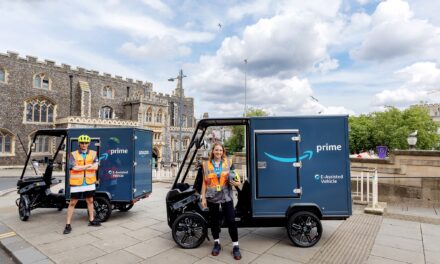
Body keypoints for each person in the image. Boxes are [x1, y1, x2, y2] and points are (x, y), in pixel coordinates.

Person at [201, 142, 242, 260]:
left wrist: (238, 183)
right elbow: (204, 182)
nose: (218, 152)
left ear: (223, 152)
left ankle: (236, 246)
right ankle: (217, 243)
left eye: (220, 150)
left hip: (226, 195)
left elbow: (236, 176)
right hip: (212, 196)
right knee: (214, 221)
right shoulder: (205, 165)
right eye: (216, 150)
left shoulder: (228, 162)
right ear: (212, 151)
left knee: (231, 221)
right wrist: (203, 197)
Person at [64, 134, 101, 234]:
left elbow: (96, 167)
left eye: (85, 143)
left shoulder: (93, 153)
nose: (84, 144)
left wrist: (83, 166)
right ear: (79, 143)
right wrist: (89, 165)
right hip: (77, 183)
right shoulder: (73, 154)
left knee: (90, 201)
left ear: (89, 143)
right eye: (82, 143)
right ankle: (68, 225)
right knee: (72, 203)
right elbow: (74, 168)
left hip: (89, 182)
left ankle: (91, 220)